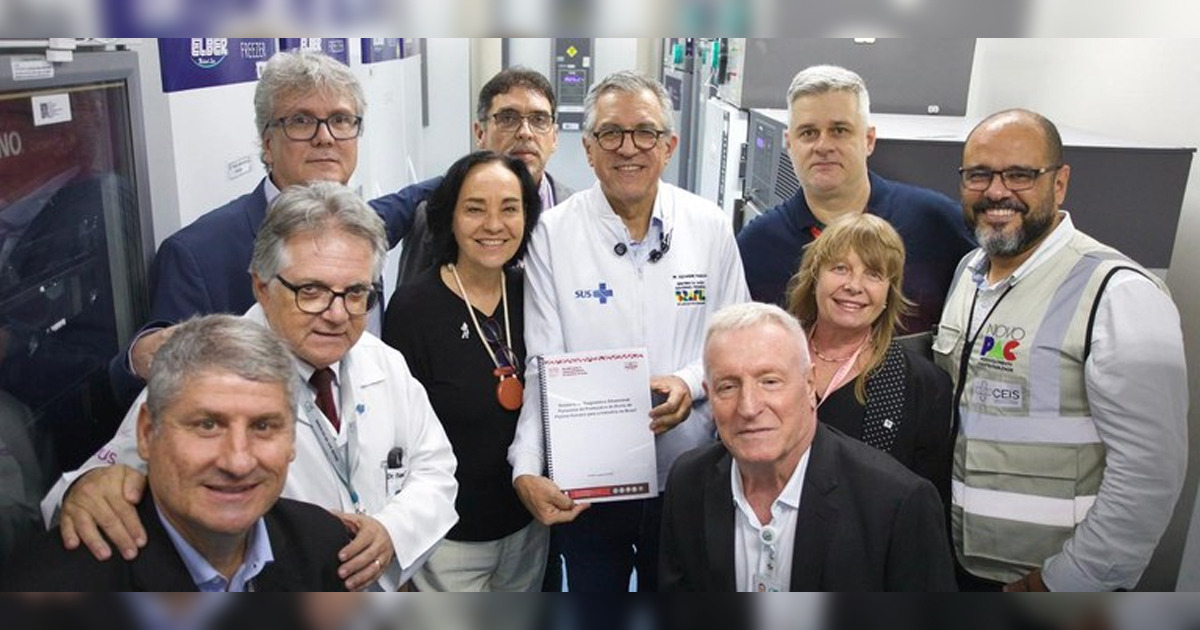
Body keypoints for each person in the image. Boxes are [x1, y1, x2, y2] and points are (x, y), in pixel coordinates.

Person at [41, 182, 459, 591]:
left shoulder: (383, 361)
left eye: (355, 293)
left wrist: (391, 531)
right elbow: (104, 481)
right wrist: (88, 487)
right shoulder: (204, 368)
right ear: (262, 285)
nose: (337, 315)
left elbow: (436, 467)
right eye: (311, 290)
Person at [507, 71, 750, 592]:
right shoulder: (551, 235)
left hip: (690, 476)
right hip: (593, 485)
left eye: (645, 132)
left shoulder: (708, 226)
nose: (628, 148)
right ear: (588, 149)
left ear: (669, 146)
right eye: (611, 133)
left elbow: (737, 344)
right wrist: (525, 464)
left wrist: (689, 382)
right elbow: (543, 366)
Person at [933, 109, 1188, 592]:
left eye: (1020, 175)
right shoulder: (969, 272)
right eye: (979, 174)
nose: (996, 191)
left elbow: (1150, 472)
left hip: (1050, 578)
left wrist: (1070, 579)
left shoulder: (1120, 293)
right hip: (962, 561)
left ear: (1060, 183)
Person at [108, 48, 428, 408]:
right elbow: (155, 387)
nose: (325, 137)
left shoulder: (363, 227)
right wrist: (136, 359)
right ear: (267, 143)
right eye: (302, 121)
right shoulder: (197, 255)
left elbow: (408, 201)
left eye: (341, 120)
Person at [3, 315, 350, 591]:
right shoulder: (50, 587)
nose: (238, 461)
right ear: (146, 432)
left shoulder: (325, 546)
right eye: (207, 425)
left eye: (263, 426)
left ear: (291, 440)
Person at [659, 302, 955, 591]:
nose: (749, 407)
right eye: (728, 386)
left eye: (770, 381)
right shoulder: (688, 483)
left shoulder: (897, 503)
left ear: (810, 384)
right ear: (709, 396)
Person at [383, 151, 545, 591]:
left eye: (509, 208)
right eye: (475, 209)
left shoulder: (534, 294)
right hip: (447, 539)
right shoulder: (414, 309)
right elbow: (396, 434)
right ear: (449, 217)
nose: (494, 225)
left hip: (527, 527)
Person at [736, 64, 974, 333]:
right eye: (808, 133)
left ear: (869, 140)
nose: (823, 146)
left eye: (839, 130)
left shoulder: (935, 223)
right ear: (789, 143)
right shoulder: (756, 247)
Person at [785, 213, 952, 501]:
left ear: (889, 292)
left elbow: (926, 501)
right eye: (840, 268)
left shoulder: (923, 384)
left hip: (865, 527)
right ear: (814, 277)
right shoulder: (772, 357)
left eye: (873, 274)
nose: (854, 285)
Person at [386, 66, 573, 287]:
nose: (525, 132)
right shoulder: (434, 216)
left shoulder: (575, 214)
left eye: (539, 119)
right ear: (480, 133)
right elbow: (415, 300)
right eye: (508, 118)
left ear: (554, 137)